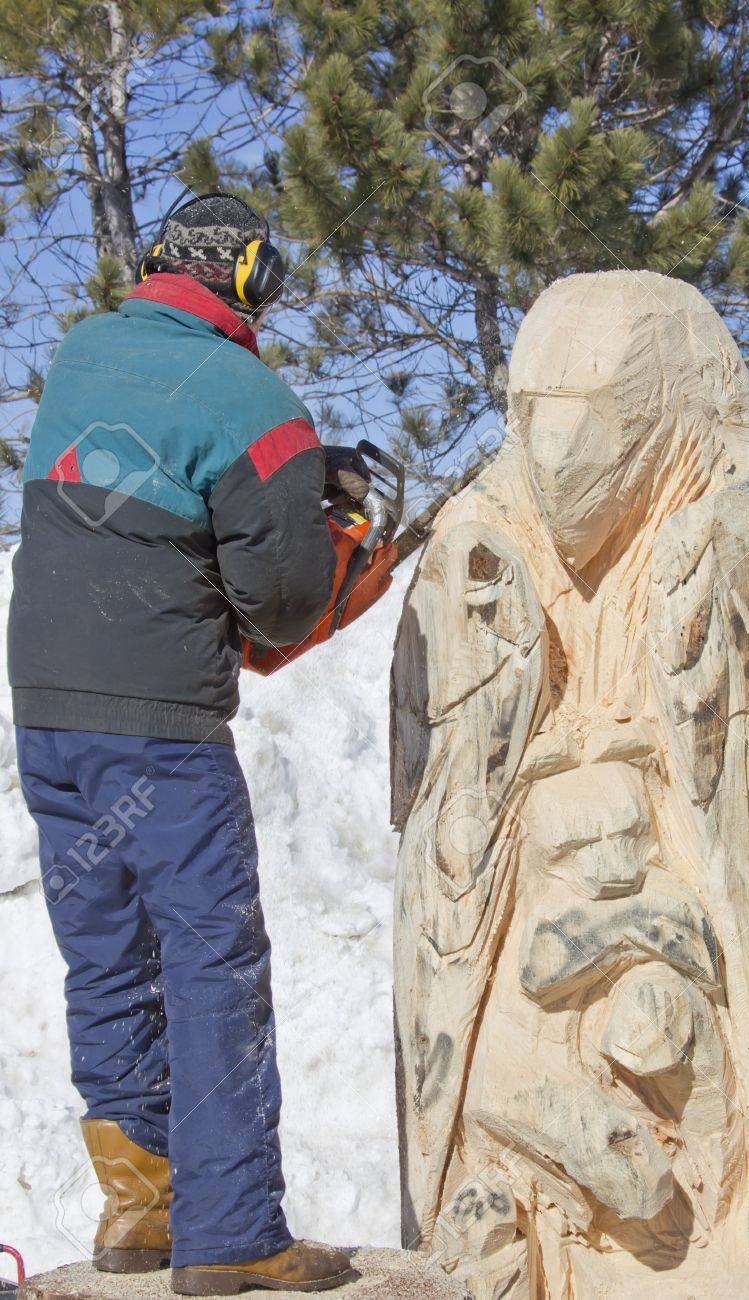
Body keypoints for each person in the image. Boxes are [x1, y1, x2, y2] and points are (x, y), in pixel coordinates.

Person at [8, 192, 394, 1294]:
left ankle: (141, 1209)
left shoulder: (84, 350)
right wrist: (319, 521)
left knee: (107, 954)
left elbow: (156, 476)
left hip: (50, 712)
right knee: (210, 960)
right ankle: (232, 1234)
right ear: (252, 277)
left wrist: (276, 487)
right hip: (162, 730)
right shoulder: (254, 401)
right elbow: (279, 606)